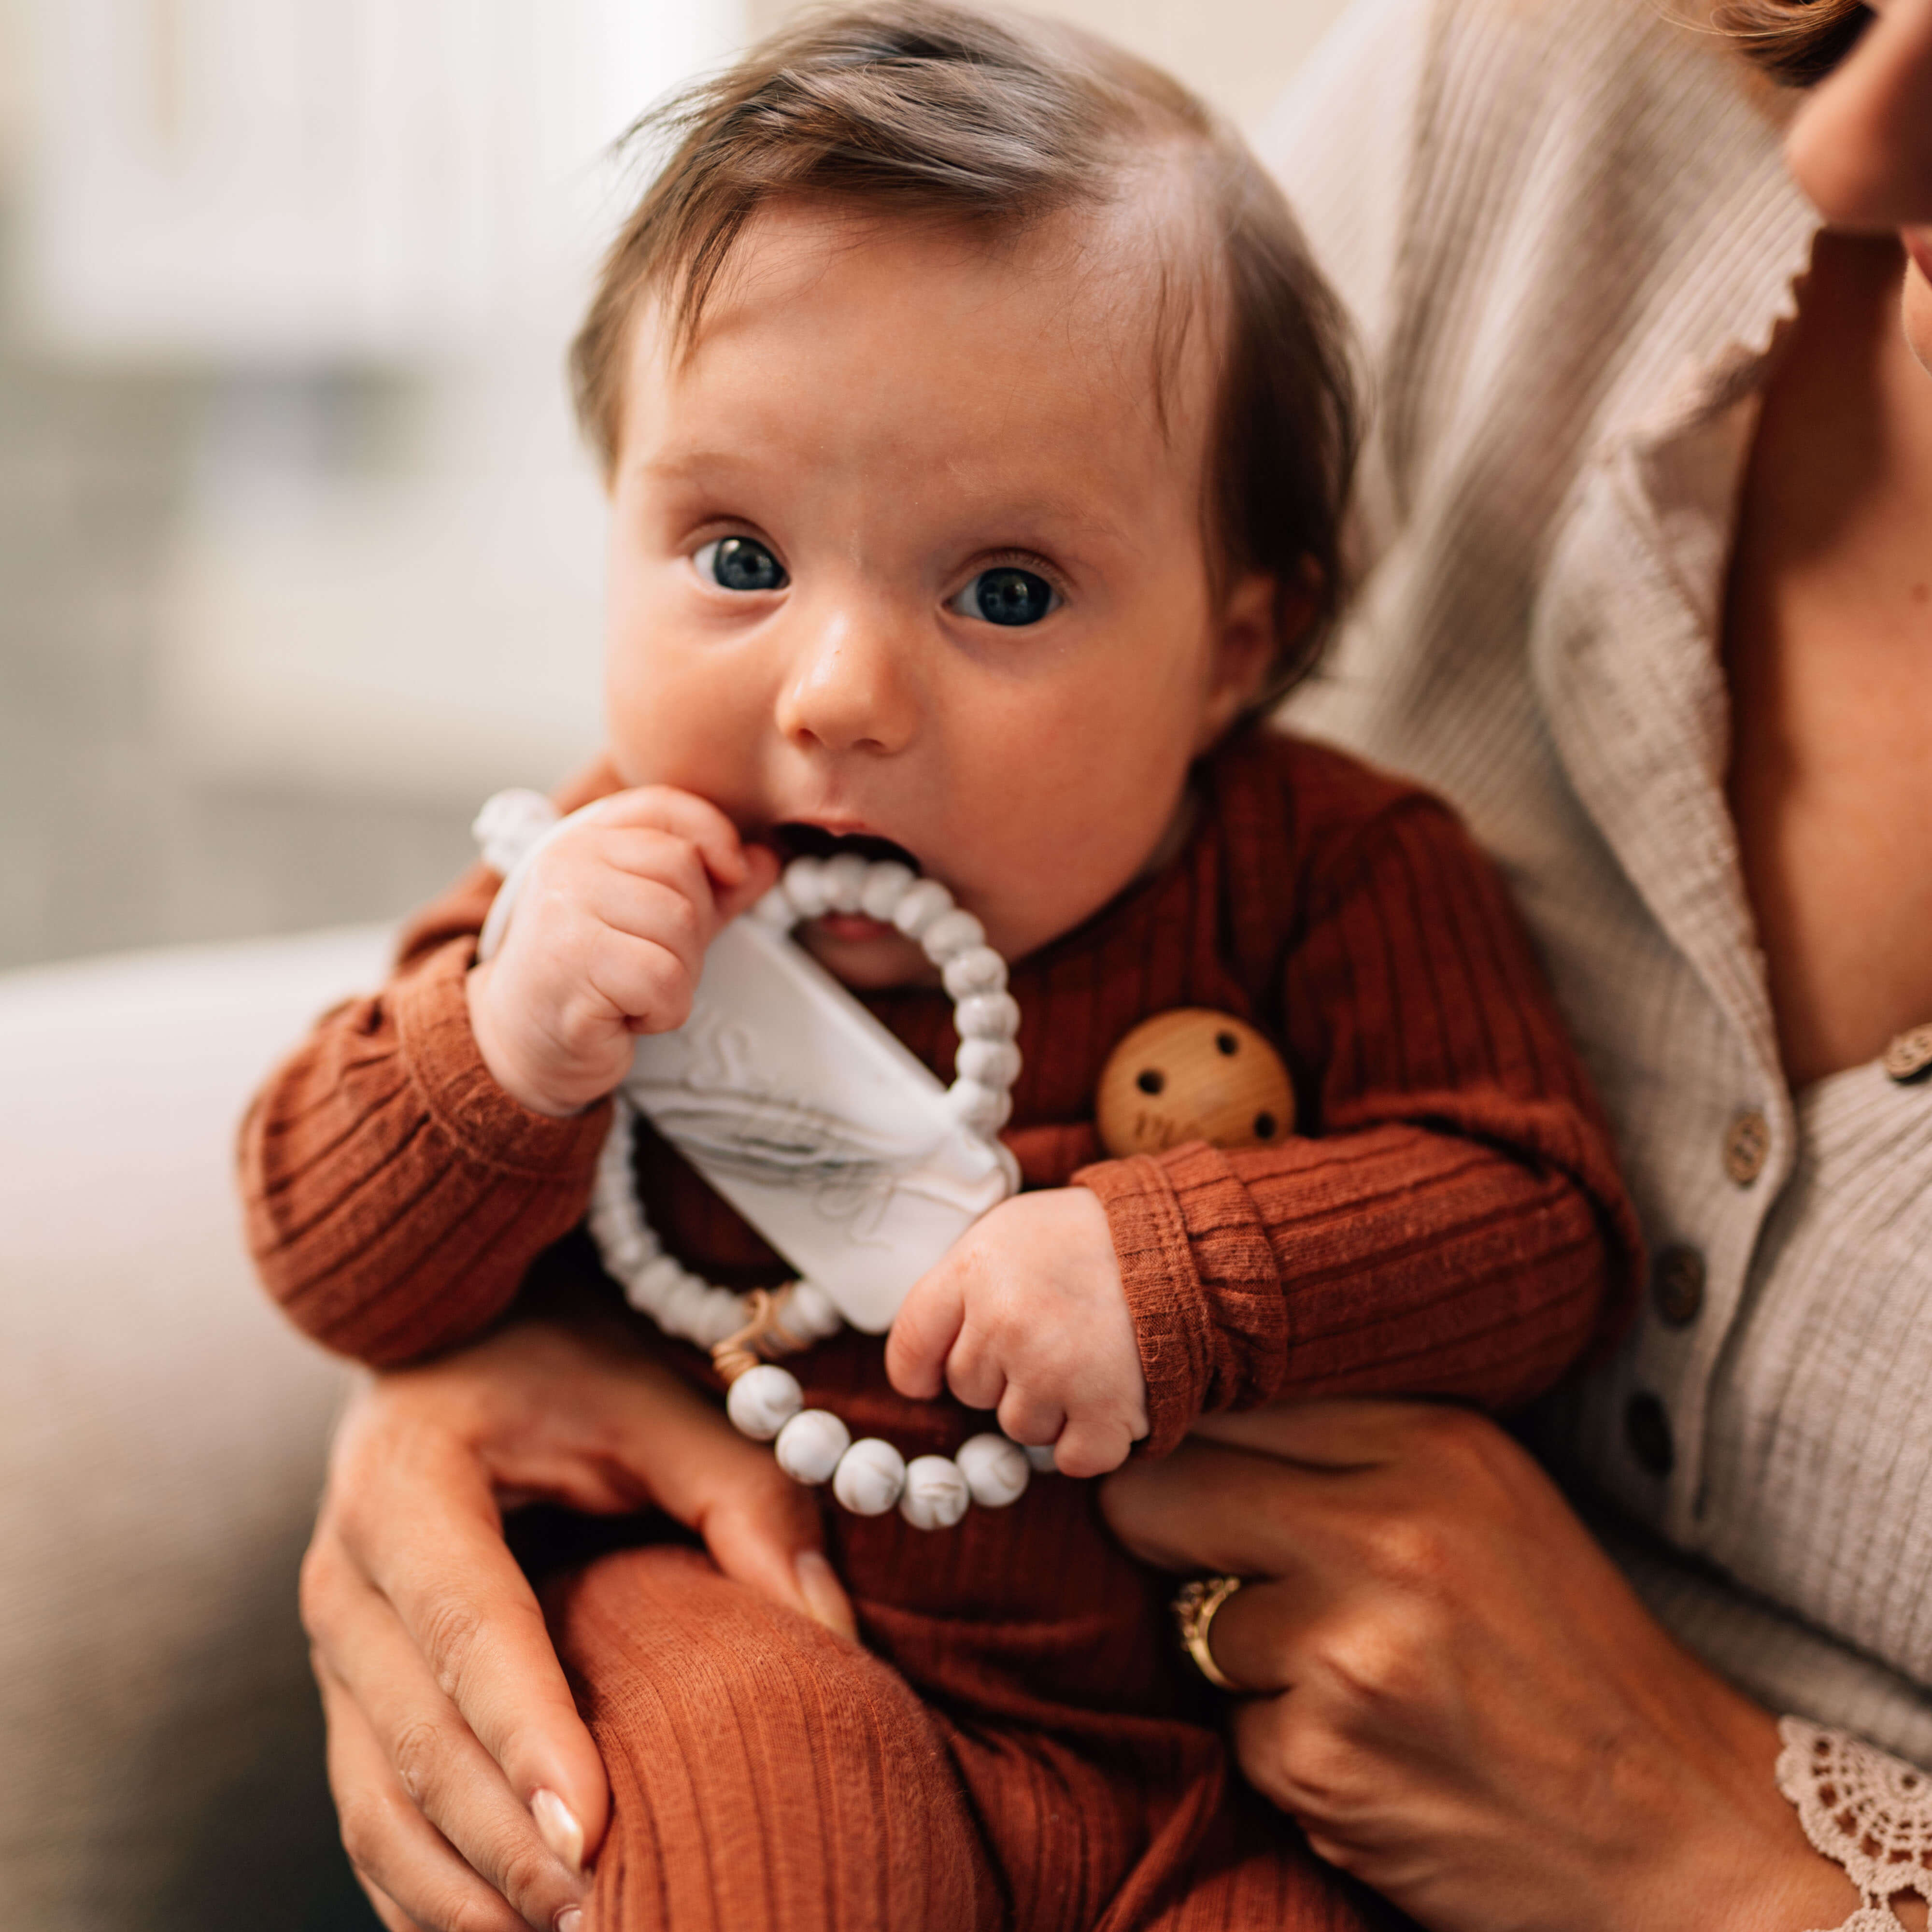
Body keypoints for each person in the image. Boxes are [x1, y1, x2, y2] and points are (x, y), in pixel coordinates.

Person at [242, 6, 1645, 1929]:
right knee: (776, 1840)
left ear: (1234, 648)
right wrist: (502, 1048)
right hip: (751, 1611)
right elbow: (329, 1257)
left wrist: (1181, 1270)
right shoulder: (604, 875)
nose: (835, 698)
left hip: (1210, 1736)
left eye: (1002, 591)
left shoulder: (1326, 871)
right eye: (736, 555)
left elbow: (1544, 1233)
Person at [1094, 0, 1932, 1927]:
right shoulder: (1544, 84)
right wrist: (538, 1297)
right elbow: (865, 654)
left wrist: (1716, 1842)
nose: (1849, 151)